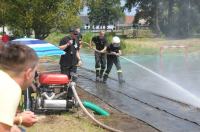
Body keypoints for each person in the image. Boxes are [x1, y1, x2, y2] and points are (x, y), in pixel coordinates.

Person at [0, 43, 39, 131]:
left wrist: (18, 120)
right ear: (28, 73)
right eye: (34, 72)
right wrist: (20, 119)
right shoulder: (11, 88)